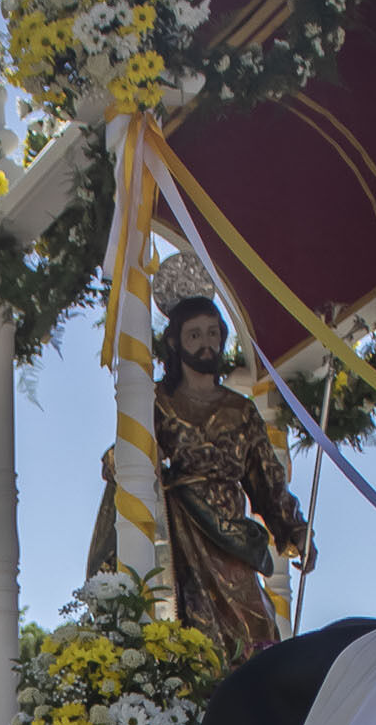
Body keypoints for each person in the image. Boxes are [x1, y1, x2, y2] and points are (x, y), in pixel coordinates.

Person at [88, 274, 311, 666]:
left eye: (212, 333)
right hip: (178, 542)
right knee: (187, 644)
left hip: (232, 543)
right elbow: (122, 455)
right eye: (195, 335)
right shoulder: (156, 403)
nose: (206, 343)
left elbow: (268, 479)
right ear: (175, 343)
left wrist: (294, 530)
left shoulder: (241, 411)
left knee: (258, 633)